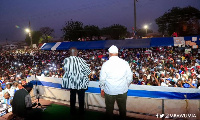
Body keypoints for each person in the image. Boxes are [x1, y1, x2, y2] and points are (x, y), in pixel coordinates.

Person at [99, 45, 133, 120]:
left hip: (109, 91)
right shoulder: (124, 63)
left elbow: (102, 79)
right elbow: (130, 78)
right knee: (122, 110)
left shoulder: (106, 64)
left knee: (109, 110)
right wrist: (125, 85)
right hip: (122, 90)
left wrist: (102, 89)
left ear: (109, 53)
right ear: (117, 53)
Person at [62, 47, 91, 116]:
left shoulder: (66, 60)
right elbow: (88, 71)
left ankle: (72, 111)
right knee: (81, 98)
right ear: (75, 52)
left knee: (72, 97)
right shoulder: (81, 60)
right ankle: (81, 112)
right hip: (80, 83)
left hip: (72, 83)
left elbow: (65, 70)